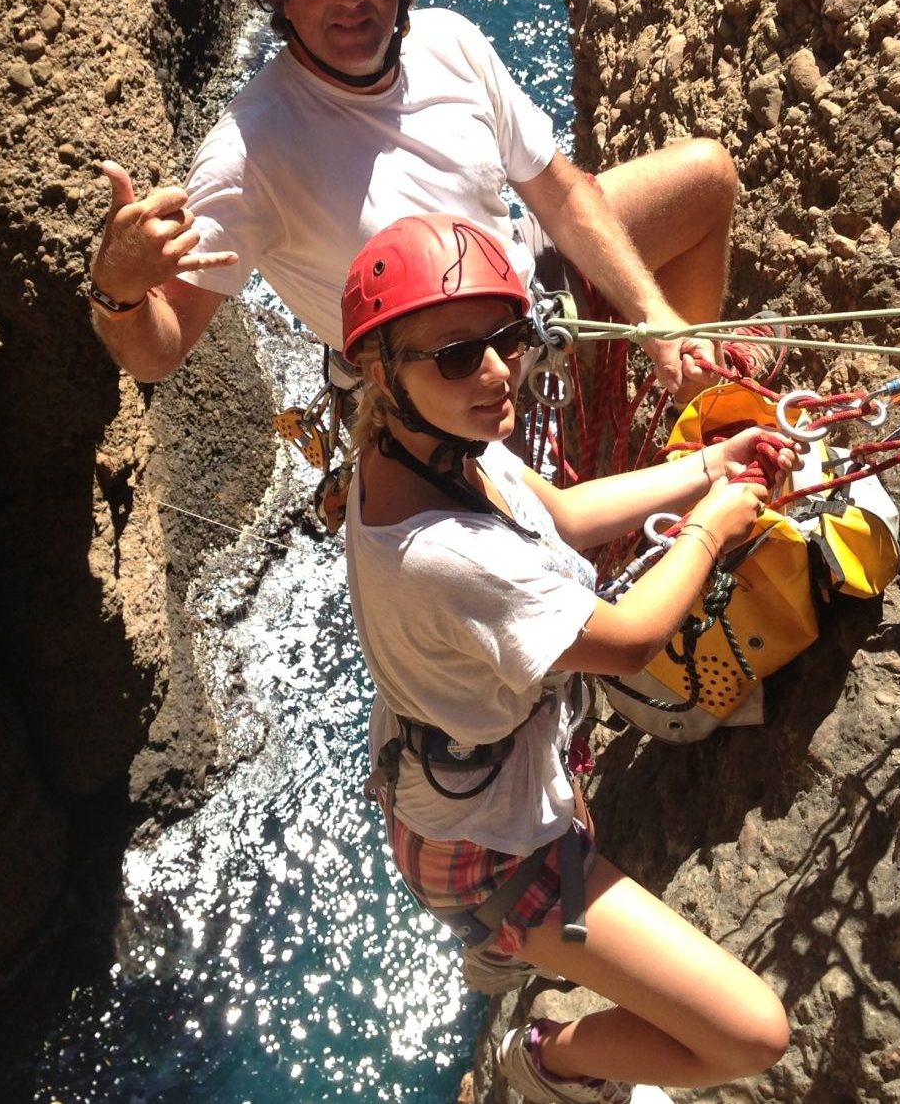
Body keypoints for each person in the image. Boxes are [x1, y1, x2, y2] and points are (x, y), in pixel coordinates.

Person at [338, 213, 790, 1103]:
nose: (499, 371)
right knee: (751, 1034)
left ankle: (506, 945)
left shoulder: (422, 454)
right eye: (458, 354)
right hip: (494, 849)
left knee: (572, 897)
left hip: (465, 788)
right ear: (386, 372)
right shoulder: (450, 554)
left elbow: (565, 513)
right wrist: (711, 527)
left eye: (506, 338)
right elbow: (627, 642)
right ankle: (547, 1059)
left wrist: (710, 468)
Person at [88, 0, 753, 398]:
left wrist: (655, 314)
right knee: (536, 537)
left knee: (706, 177)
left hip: (517, 294)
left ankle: (693, 414)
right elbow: (161, 351)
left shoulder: (450, 42)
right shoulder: (251, 150)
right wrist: (118, 289)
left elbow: (560, 193)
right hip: (428, 394)